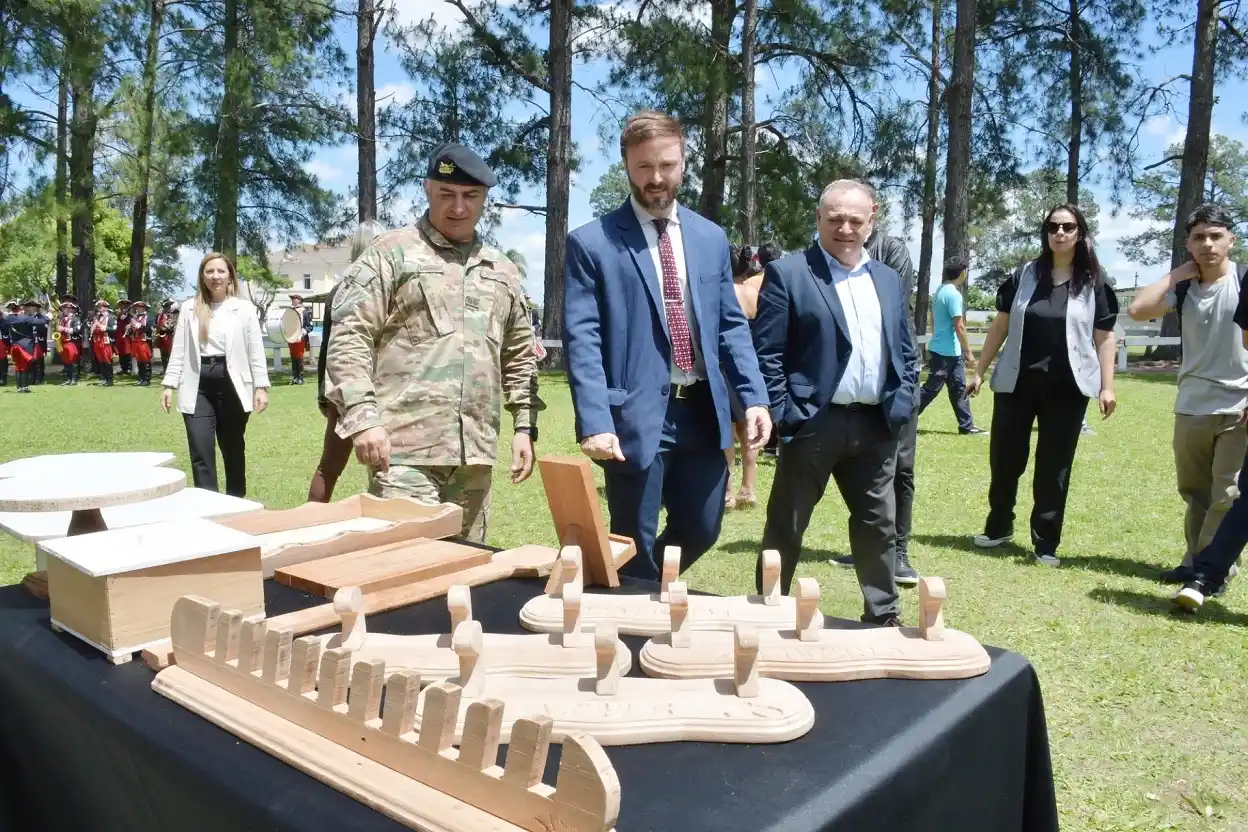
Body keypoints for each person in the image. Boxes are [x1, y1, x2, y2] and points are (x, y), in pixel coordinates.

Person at [563, 110, 771, 581]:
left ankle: (641, 588)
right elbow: (583, 338)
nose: (656, 178)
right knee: (634, 540)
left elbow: (730, 326)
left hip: (703, 412)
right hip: (634, 416)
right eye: (644, 167)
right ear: (626, 165)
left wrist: (754, 398)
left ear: (683, 162)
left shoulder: (710, 237)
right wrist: (595, 420)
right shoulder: (592, 244)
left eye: (666, 165)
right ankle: (633, 611)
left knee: (703, 526)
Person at [325, 144, 542, 543]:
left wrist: (524, 427)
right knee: (409, 566)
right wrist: (363, 418)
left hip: (474, 457)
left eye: (470, 196)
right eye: (447, 194)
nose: (458, 207)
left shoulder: (502, 270)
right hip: (403, 452)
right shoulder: (391, 254)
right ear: (427, 189)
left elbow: (519, 354)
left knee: (469, 568)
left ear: (484, 199)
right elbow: (350, 337)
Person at [755, 179, 917, 622]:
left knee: (879, 525)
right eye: (835, 219)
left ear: (872, 220)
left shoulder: (887, 279)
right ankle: (768, 609)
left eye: (855, 220)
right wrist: (785, 413)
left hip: (876, 424)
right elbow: (767, 352)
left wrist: (903, 401)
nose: (845, 229)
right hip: (813, 422)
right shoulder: (790, 273)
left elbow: (904, 349)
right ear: (819, 218)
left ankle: (883, 616)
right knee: (787, 524)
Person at [967, 203, 1118, 566]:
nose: (1059, 233)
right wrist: (979, 370)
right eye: (1053, 227)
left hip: (1067, 389)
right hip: (1016, 384)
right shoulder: (1024, 275)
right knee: (1005, 459)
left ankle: (1045, 542)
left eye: (1067, 227)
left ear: (1080, 233)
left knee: (1054, 467)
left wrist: (1107, 386)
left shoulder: (1094, 282)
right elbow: (1000, 325)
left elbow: (1105, 337)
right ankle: (998, 526)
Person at [1128, 205, 1248, 586]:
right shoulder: (1183, 288)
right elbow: (1137, 309)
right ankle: (1194, 560)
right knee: (1194, 492)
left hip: (1239, 405)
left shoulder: (1244, 281)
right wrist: (1178, 273)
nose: (1207, 244)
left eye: (1215, 235)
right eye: (1199, 237)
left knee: (1226, 494)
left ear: (1231, 239)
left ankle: (1211, 571)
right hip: (1192, 405)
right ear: (1188, 244)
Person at [161, 253, 271, 497]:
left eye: (221, 271)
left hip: (232, 384)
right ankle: (207, 504)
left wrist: (261, 387)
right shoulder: (189, 308)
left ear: (230, 275)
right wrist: (169, 384)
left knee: (233, 449)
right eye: (209, 271)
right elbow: (179, 349)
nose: (215, 276)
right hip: (197, 384)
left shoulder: (244, 309)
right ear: (202, 276)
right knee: (200, 450)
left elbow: (255, 350)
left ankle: (236, 502)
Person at [308, 220, 386, 503]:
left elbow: (329, 348)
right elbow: (333, 347)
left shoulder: (340, 289)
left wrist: (324, 394)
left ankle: (311, 519)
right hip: (361, 389)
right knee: (376, 467)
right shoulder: (367, 289)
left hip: (346, 389)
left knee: (329, 468)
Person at [918, 256, 986, 434]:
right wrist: (969, 352)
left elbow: (932, 318)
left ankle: (967, 426)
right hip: (945, 352)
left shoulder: (940, 291)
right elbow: (959, 326)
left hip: (950, 351)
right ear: (963, 273)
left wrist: (937, 336)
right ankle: (903, 418)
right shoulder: (954, 295)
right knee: (931, 389)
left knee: (959, 388)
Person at [725, 245, 765, 511]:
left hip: (726, 365)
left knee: (726, 432)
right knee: (748, 429)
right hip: (752, 363)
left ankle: (728, 492)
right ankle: (748, 489)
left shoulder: (723, 292)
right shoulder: (753, 292)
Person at [5, 300, 45, 393]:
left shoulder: (8, 319)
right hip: (25, 346)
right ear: (20, 308)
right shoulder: (25, 318)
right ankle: (24, 387)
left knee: (18, 367)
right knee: (24, 367)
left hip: (14, 346)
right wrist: (49, 316)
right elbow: (41, 322)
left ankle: (19, 387)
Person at [54, 295, 84, 386]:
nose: (67, 310)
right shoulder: (61, 319)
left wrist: (63, 329)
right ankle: (69, 378)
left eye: (69, 308)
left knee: (73, 361)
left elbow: (77, 330)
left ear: (73, 310)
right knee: (66, 361)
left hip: (71, 342)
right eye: (65, 308)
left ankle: (74, 379)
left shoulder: (75, 318)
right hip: (63, 342)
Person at [89, 300, 117, 387]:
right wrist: (92, 326)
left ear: (106, 308)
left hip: (106, 342)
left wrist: (105, 328)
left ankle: (109, 380)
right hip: (97, 341)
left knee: (107, 360)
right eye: (99, 307)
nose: (100, 309)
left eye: (101, 307)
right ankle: (103, 378)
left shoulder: (111, 317)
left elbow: (114, 328)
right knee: (101, 361)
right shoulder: (97, 318)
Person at [287, 294, 312, 385]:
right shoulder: (289, 311)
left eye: (295, 298)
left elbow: (310, 326)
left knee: (299, 357)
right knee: (293, 357)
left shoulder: (304, 312)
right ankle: (295, 377)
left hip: (300, 337)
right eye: (292, 299)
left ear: (299, 300)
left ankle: (300, 377)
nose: (293, 300)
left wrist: (302, 332)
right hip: (291, 337)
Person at [128, 300, 154, 386]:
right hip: (136, 341)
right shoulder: (136, 317)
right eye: (137, 307)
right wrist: (130, 328)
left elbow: (149, 329)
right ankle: (141, 378)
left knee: (145, 360)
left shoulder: (149, 317)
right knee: (139, 361)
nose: (137, 309)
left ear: (143, 308)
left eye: (139, 307)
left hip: (144, 342)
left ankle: (146, 380)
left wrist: (137, 325)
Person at [0, 300, 15, 386]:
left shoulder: (4, 322)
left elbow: (6, 332)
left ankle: (3, 378)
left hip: (2, 342)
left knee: (3, 361)